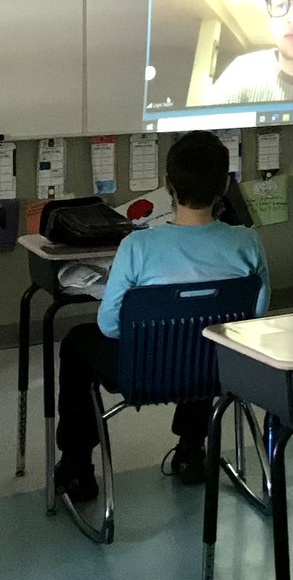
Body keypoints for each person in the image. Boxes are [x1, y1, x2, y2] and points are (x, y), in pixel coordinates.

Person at [53, 132, 271, 502]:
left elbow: (109, 325)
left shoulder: (137, 246)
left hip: (143, 374)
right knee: (206, 334)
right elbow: (257, 314)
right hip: (220, 371)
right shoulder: (246, 242)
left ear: (169, 185)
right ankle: (191, 449)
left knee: (77, 341)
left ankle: (77, 468)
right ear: (224, 187)